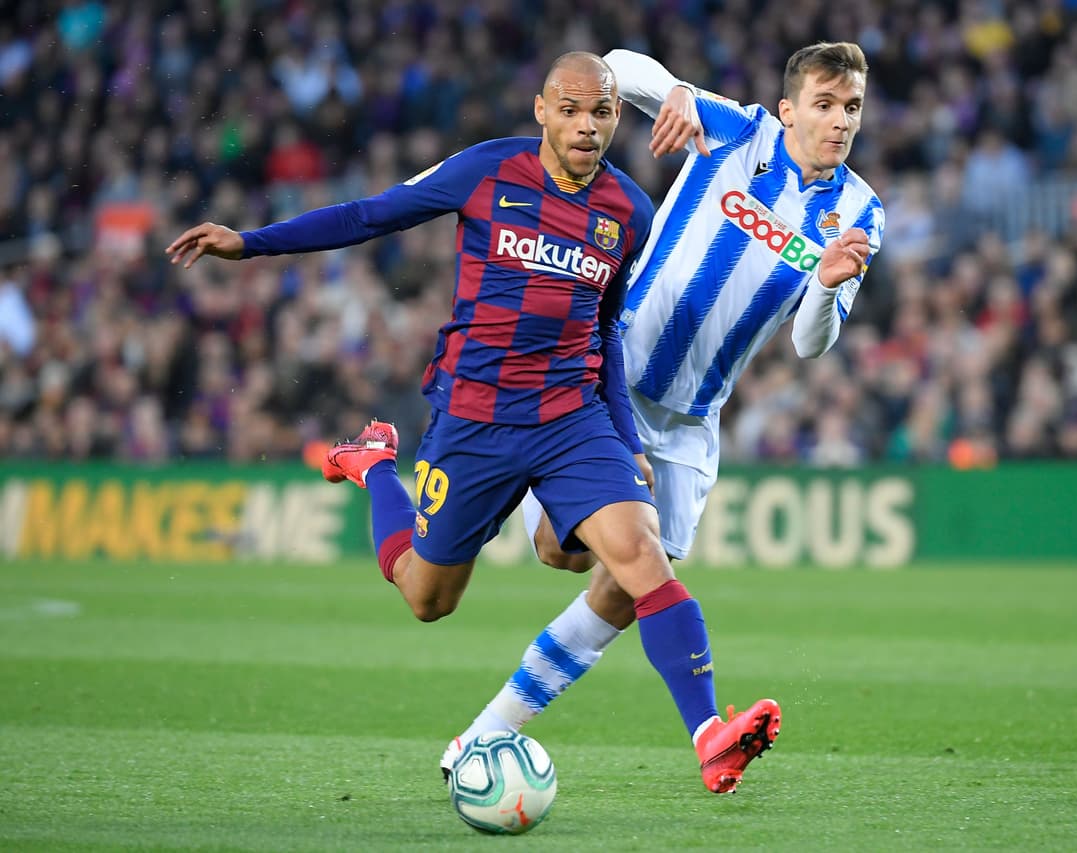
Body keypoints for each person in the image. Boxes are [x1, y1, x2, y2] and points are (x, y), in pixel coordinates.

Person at [166, 51, 780, 796]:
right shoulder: (488, 171)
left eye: (602, 112)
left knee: (642, 554)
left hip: (570, 416)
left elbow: (606, 330)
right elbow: (369, 214)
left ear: (618, 117)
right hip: (475, 418)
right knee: (428, 598)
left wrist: (624, 440)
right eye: (571, 110)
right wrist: (250, 242)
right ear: (542, 110)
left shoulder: (628, 211)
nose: (587, 126)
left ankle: (710, 735)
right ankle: (375, 466)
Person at [443, 43, 880, 776]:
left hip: (691, 419)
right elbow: (619, 64)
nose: (840, 121)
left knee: (625, 589)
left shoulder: (861, 212)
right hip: (605, 378)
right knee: (560, 550)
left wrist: (829, 284)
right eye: (825, 104)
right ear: (789, 110)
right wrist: (675, 90)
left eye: (852, 108)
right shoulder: (740, 132)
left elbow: (811, 343)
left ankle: (483, 737)